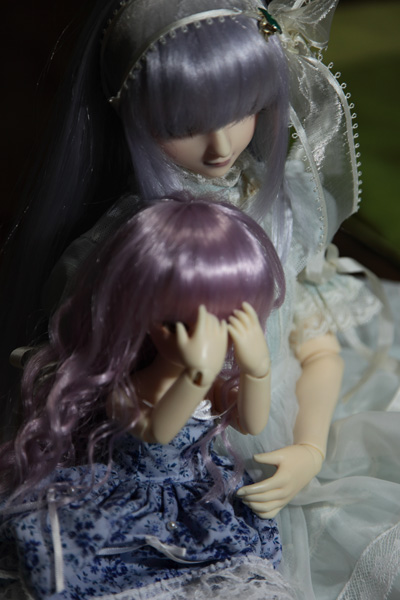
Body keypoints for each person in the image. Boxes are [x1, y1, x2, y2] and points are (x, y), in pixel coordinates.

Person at [1, 0, 400, 598]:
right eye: (185, 125)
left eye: (245, 111)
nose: (221, 146)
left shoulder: (281, 206)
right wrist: (191, 372)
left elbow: (317, 348)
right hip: (170, 464)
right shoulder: (129, 248)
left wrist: (310, 446)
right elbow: (116, 406)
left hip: (276, 424)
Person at [0, 198, 297, 600]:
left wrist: (256, 370)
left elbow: (251, 422)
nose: (202, 337)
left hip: (198, 500)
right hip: (131, 501)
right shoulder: (129, 386)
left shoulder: (209, 382)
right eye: (177, 323)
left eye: (223, 322)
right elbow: (157, 431)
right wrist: (194, 373)